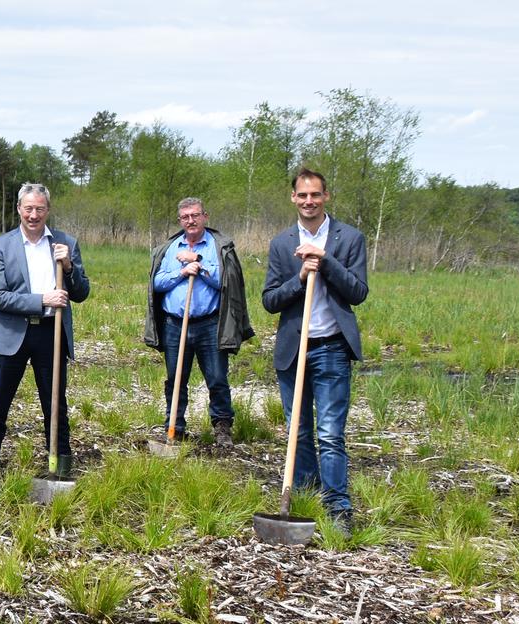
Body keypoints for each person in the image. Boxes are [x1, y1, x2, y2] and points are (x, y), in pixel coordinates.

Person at [263, 168, 369, 530]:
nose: (309, 201)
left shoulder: (349, 238)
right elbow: (270, 300)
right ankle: (305, 495)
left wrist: (324, 262)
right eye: (302, 195)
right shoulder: (281, 243)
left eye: (315, 195)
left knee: (329, 433)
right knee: (299, 430)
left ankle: (338, 508)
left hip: (332, 348)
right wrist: (301, 277)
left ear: (325, 197)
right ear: (293, 198)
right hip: (294, 349)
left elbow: (358, 291)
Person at [0, 183, 90, 481]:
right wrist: (42, 300)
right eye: (28, 208)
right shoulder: (2, 245)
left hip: (51, 336)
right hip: (11, 335)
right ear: (19, 209)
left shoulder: (66, 243)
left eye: (40, 208)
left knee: (55, 406)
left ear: (48, 210)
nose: (34, 214)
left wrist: (68, 266)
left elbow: (80, 293)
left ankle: (60, 469)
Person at [142, 197, 252, 444]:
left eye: (195, 215)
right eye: (185, 217)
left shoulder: (217, 247)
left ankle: (222, 426)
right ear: (179, 220)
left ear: (205, 216)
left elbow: (226, 282)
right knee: (176, 378)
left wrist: (198, 265)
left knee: (216, 378)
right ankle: (175, 426)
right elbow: (156, 284)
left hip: (209, 324)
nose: (190, 220)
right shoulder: (170, 249)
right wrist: (182, 272)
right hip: (174, 324)